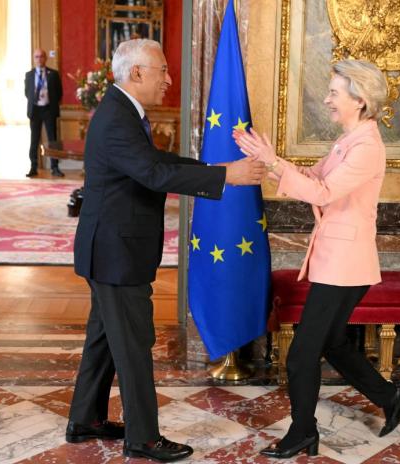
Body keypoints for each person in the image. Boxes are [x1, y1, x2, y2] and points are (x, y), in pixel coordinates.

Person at [66, 39, 265, 462]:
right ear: (136, 73)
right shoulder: (119, 117)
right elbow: (154, 174)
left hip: (112, 251)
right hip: (115, 255)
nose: (169, 79)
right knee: (134, 345)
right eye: (163, 70)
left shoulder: (123, 111)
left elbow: (154, 161)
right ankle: (144, 437)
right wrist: (226, 174)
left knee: (103, 339)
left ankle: (86, 419)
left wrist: (215, 170)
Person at [234, 59, 400, 459]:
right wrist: (267, 161)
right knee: (333, 342)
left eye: (334, 93)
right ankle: (391, 396)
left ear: (360, 99)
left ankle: (303, 431)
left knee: (302, 353)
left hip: (345, 263)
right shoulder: (348, 141)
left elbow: (322, 193)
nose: (327, 99)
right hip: (339, 260)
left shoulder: (367, 147)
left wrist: (271, 162)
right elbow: (312, 177)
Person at [24, 49, 63, 177]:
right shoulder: (29, 75)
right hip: (35, 110)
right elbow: (27, 93)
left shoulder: (53, 74)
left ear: (45, 58)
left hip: (48, 110)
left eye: (41, 57)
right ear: (34, 59)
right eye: (36, 57)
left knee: (52, 140)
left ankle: (55, 167)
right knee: (34, 140)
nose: (39, 59)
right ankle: (33, 167)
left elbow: (59, 93)